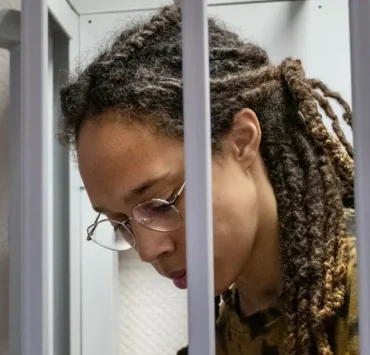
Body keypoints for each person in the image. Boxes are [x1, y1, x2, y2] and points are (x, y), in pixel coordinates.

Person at [58, 5, 358, 355]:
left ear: (242, 141)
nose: (149, 251)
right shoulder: (217, 340)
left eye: (158, 204)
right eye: (119, 223)